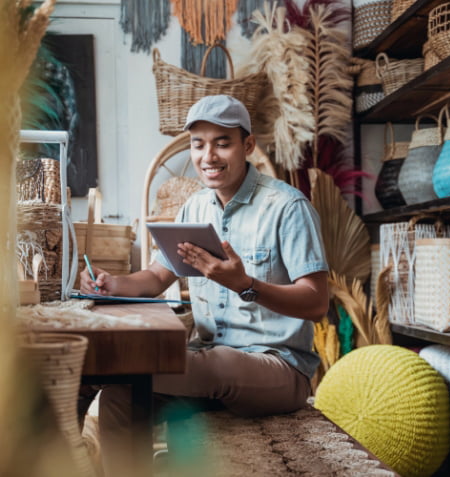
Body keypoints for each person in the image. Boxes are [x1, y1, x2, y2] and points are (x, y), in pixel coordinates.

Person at [80, 94, 329, 476]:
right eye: (199, 145)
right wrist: (111, 281)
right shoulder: (194, 208)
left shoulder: (287, 207)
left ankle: (101, 370)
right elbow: (155, 278)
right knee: (119, 397)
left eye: (222, 143)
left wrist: (245, 284)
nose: (208, 156)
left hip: (279, 369)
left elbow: (316, 303)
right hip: (212, 366)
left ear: (247, 145)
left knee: (216, 362)